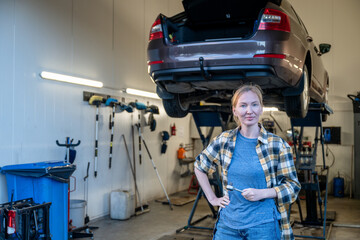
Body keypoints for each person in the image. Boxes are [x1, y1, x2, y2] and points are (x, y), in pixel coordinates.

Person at [194, 84, 301, 240]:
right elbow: (199, 166)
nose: (249, 111)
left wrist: (262, 193)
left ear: (261, 108)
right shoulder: (224, 140)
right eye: (243, 105)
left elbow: (293, 187)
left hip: (263, 226)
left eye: (254, 104)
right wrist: (212, 198)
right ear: (234, 111)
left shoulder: (277, 145)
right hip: (228, 226)